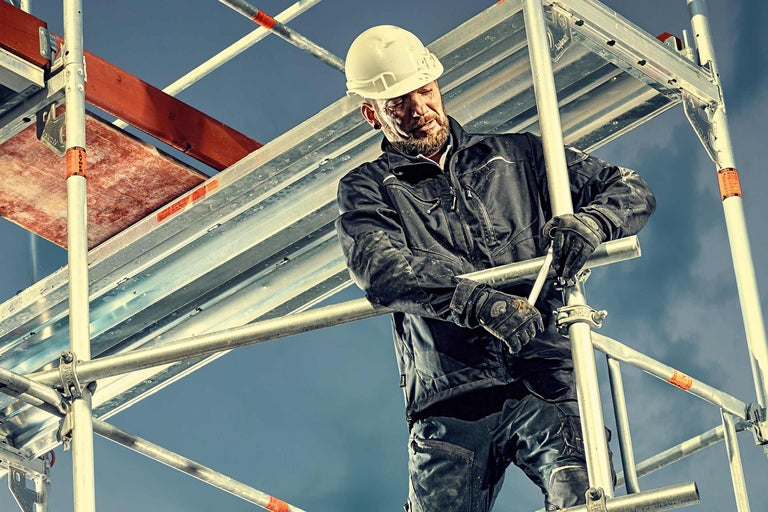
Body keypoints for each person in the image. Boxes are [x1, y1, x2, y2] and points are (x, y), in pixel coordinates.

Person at [335, 25, 656, 511]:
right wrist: (476, 302)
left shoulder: (518, 155)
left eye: (424, 90)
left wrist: (593, 222)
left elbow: (630, 189)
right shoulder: (368, 187)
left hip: (541, 378)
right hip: (451, 397)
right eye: (397, 102)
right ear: (370, 113)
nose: (419, 109)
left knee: (584, 498)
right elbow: (381, 270)